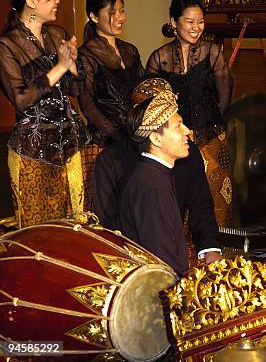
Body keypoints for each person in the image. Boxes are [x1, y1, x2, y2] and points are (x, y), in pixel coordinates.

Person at [94, 77, 221, 269]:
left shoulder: (171, 161)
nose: (187, 132)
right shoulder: (146, 180)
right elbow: (160, 259)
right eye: (177, 125)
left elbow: (200, 204)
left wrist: (210, 248)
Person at [0, 0, 90, 228]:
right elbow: (21, 99)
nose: (58, 1)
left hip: (68, 146)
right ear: (31, 2)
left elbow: (76, 89)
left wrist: (72, 66)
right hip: (32, 153)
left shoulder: (56, 34)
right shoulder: (7, 44)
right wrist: (60, 67)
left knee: (75, 228)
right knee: (40, 233)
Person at [146, 0, 233, 227]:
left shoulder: (213, 52)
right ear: (174, 22)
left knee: (215, 202)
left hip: (211, 138)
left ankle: (216, 256)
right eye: (190, 21)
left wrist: (211, 128)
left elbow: (224, 95)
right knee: (179, 200)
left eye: (201, 21)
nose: (196, 27)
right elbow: (151, 107)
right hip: (175, 143)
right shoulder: (158, 58)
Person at [78, 0, 144, 210]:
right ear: (94, 17)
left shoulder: (130, 51)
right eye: (112, 12)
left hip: (136, 139)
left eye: (122, 11)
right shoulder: (86, 55)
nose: (120, 18)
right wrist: (118, 135)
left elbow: (143, 91)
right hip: (105, 143)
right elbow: (87, 105)